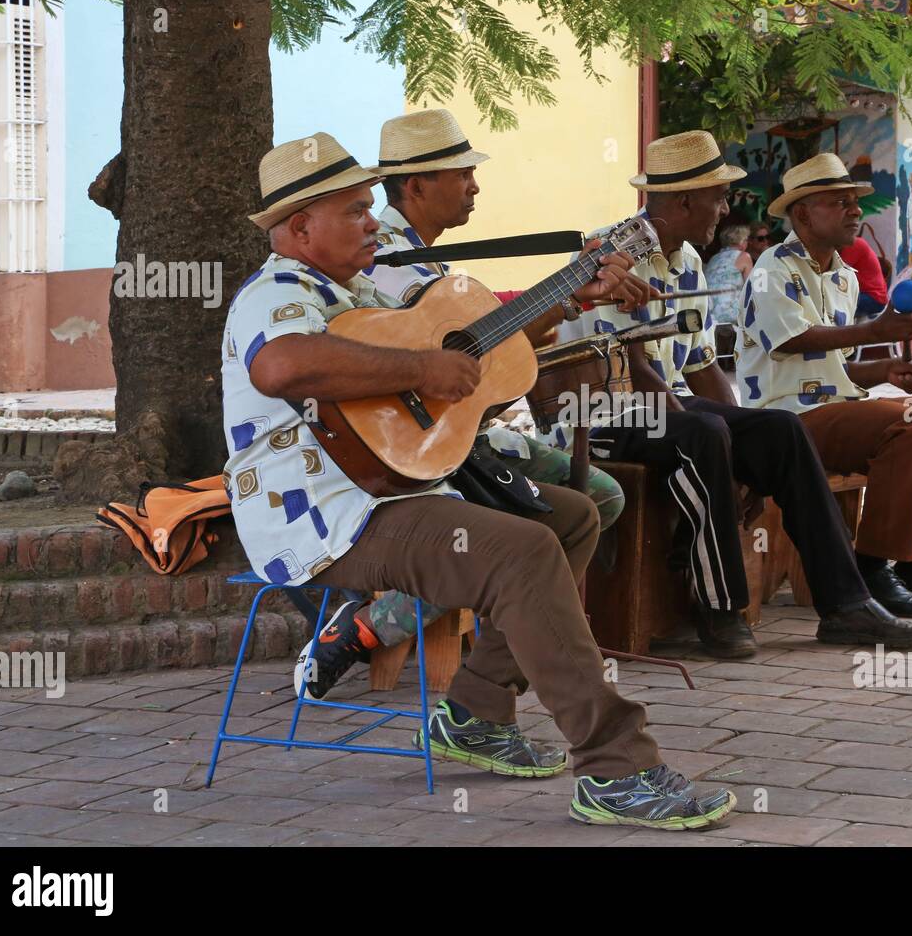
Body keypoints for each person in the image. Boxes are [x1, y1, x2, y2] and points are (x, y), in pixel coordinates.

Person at [221, 132, 735, 829]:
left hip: (388, 491)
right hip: (323, 511)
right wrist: (420, 370)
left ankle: (476, 709)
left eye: (369, 206)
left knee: (571, 517)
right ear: (299, 227)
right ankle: (618, 771)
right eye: (352, 210)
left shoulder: (362, 291)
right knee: (518, 553)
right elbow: (280, 367)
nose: (372, 221)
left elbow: (474, 349)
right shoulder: (275, 292)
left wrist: (564, 300)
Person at [558, 130, 912, 658]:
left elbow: (702, 366)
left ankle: (845, 603)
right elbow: (627, 365)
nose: (725, 206)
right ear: (685, 199)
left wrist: (749, 447)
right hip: (598, 413)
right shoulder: (613, 251)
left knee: (777, 430)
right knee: (702, 430)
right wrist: (719, 439)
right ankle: (720, 609)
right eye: (718, 196)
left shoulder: (689, 259)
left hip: (664, 407)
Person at [329, 108, 631, 653]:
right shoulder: (386, 261)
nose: (474, 186)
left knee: (601, 495)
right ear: (417, 185)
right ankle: (379, 626)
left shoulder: (434, 262)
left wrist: (570, 295)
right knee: (553, 520)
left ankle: (515, 633)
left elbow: (480, 345)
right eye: (462, 175)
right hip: (416, 447)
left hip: (468, 438)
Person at [737, 153, 912, 617]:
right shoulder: (771, 268)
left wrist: (883, 372)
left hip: (836, 406)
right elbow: (794, 340)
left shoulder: (844, 274)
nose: (855, 211)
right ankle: (871, 567)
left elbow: (833, 366)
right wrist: (874, 333)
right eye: (839, 202)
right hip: (785, 419)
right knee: (910, 424)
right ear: (802, 213)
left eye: (854, 201)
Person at [702, 220, 752, 325]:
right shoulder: (744, 256)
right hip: (731, 313)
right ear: (742, 242)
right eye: (746, 240)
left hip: (710, 313)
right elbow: (751, 288)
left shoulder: (714, 258)